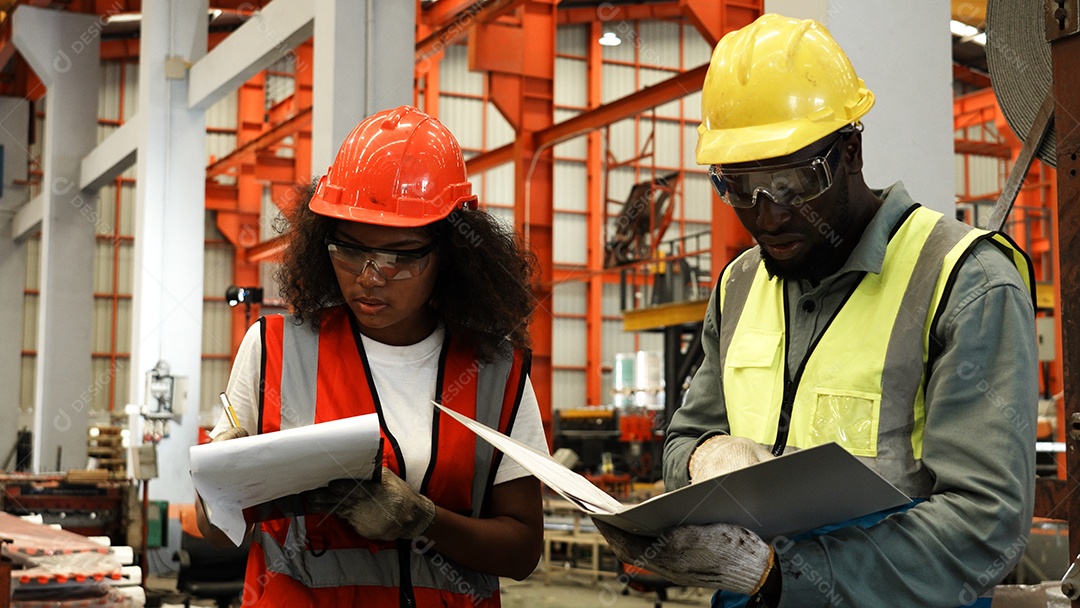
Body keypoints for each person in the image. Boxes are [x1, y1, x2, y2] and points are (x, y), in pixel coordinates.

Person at [593, 13, 1038, 608]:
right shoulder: (740, 283)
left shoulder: (965, 282)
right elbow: (684, 439)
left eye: (793, 181)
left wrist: (780, 576)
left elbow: (985, 525)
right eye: (740, 185)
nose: (768, 215)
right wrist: (704, 457)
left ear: (850, 150)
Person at [195, 105, 547, 607]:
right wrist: (220, 487)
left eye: (401, 255)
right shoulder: (274, 350)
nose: (370, 276)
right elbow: (217, 531)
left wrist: (425, 520)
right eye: (351, 249)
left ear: (451, 254)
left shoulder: (496, 372)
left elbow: (522, 551)